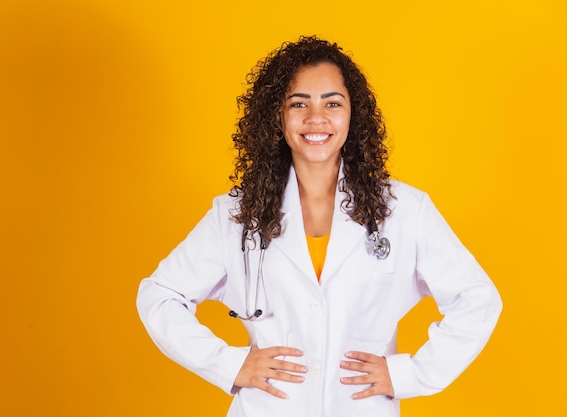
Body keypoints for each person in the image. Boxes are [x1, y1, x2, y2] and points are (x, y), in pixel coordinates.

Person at [136, 36, 502, 417]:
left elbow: (477, 299)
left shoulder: (403, 210)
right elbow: (159, 296)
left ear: (352, 114)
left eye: (332, 103)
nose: (316, 118)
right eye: (299, 103)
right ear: (277, 116)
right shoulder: (237, 213)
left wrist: (409, 375)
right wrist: (231, 364)